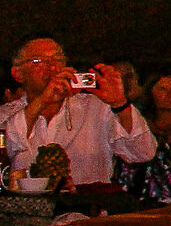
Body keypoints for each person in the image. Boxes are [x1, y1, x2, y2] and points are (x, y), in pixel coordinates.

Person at [1, 39, 156, 190]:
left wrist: (120, 103)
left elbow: (143, 153)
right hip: (25, 206)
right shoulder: (7, 114)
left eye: (58, 60)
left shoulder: (96, 107)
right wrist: (42, 100)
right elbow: (8, 147)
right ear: (18, 73)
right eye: (39, 61)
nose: (53, 68)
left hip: (85, 205)